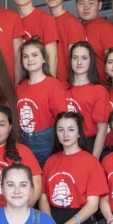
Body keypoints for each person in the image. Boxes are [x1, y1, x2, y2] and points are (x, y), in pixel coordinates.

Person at [16, 38, 69, 166]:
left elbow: (62, 117)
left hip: (45, 139)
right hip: (22, 138)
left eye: (35, 55)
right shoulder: (20, 87)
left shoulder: (53, 84)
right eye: (25, 56)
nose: (30, 59)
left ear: (44, 59)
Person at [11, 0, 59, 76]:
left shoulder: (46, 19)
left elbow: (52, 57)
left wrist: (50, 84)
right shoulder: (10, 21)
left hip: (41, 81)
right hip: (17, 82)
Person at [67, 41, 109, 158]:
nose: (79, 62)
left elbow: (102, 130)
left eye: (84, 58)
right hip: (65, 144)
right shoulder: (62, 88)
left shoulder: (99, 90)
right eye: (75, 58)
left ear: (91, 61)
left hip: (89, 144)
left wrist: (94, 160)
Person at [43, 0, 87, 84]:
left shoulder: (72, 23)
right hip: (47, 82)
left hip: (66, 85)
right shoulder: (44, 21)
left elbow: (76, 60)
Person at [75, 0, 113, 83]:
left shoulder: (107, 29)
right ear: (76, 6)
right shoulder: (74, 28)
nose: (86, 7)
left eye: (91, 3)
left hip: (101, 86)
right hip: (78, 85)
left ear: (99, 5)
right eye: (81, 3)